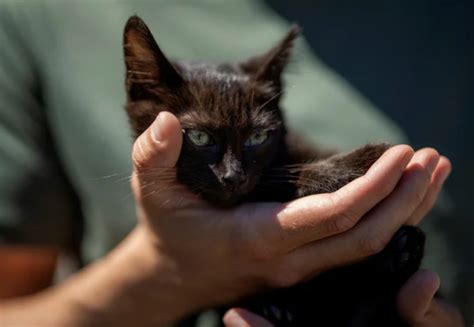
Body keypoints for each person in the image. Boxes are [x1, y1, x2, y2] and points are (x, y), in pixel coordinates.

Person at [0, 1, 464, 326]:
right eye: (200, 138)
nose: (232, 173)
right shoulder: (36, 17)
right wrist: (165, 270)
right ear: (141, 93)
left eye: (257, 138)